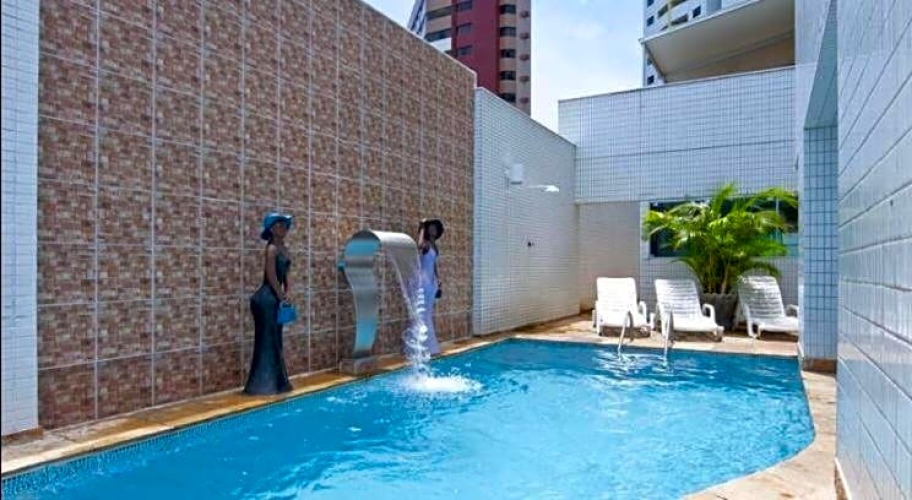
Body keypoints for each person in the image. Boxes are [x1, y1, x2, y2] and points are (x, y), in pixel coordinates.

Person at [244, 212, 294, 395]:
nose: (283, 228)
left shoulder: (284, 249)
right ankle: (263, 385)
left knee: (275, 340)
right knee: (268, 341)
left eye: (285, 225)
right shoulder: (271, 249)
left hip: (275, 298)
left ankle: (277, 383)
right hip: (265, 299)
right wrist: (281, 295)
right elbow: (271, 275)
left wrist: (288, 292)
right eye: (279, 225)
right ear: (271, 229)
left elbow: (286, 274)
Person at [416, 218, 444, 356]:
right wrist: (421, 227)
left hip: (431, 282)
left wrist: (438, 279)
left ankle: (428, 346)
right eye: (431, 228)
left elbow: (434, 264)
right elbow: (419, 246)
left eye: (435, 228)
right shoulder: (426, 243)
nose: (433, 230)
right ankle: (424, 348)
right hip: (424, 281)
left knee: (428, 313)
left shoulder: (434, 246)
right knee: (423, 313)